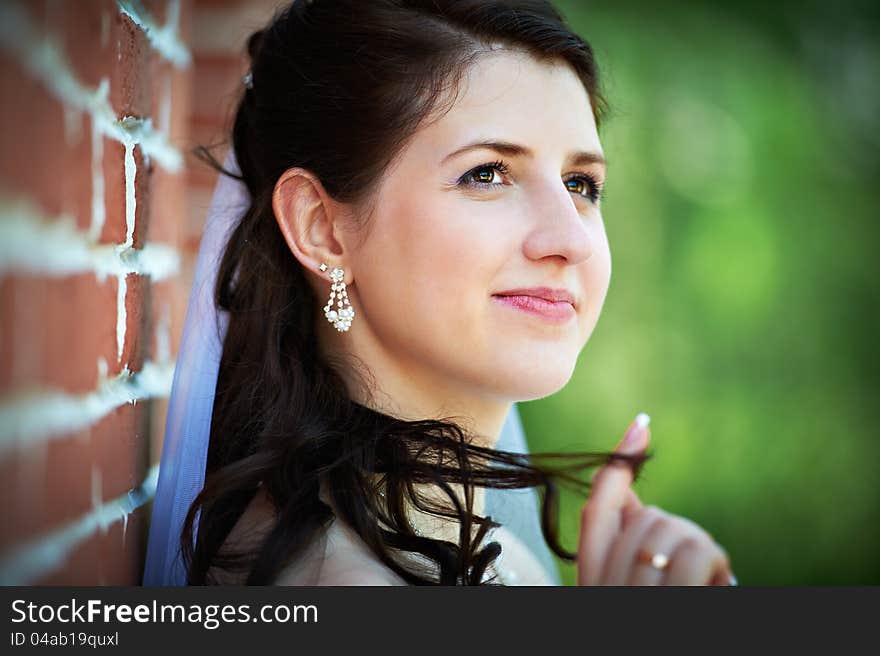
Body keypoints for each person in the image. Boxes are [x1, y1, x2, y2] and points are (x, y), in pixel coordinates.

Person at [144, 0, 737, 586]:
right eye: (487, 174)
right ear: (322, 228)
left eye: (581, 183)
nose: (570, 241)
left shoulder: (502, 560)